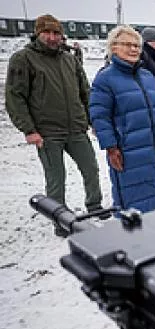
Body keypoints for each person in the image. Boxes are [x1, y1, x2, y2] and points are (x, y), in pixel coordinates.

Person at [5, 14, 104, 236]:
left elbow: (84, 92)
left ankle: (94, 206)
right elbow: (15, 97)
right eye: (46, 33)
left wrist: (92, 120)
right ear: (37, 34)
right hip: (47, 132)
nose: (52, 37)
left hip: (76, 128)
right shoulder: (23, 59)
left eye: (56, 33)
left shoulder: (70, 59)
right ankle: (60, 220)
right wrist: (29, 130)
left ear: (62, 35)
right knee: (56, 179)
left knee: (91, 169)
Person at [89, 25, 155, 214]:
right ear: (113, 47)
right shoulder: (105, 78)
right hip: (128, 152)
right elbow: (100, 116)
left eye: (136, 45)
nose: (133, 49)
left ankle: (152, 236)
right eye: (127, 44)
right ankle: (133, 239)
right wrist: (111, 147)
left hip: (154, 149)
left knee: (154, 198)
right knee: (132, 203)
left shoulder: (147, 76)